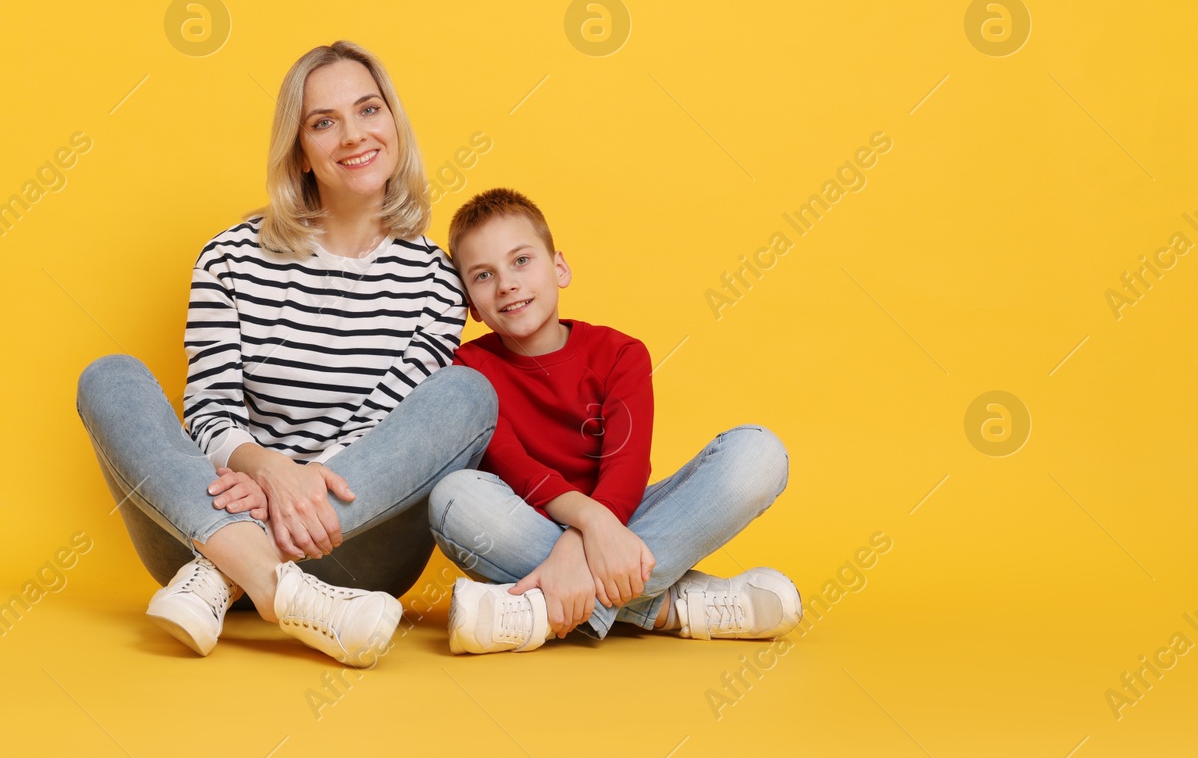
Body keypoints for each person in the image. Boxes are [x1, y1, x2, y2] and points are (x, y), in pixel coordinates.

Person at [76, 41, 497, 667]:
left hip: (353, 550)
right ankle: (275, 587)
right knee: (109, 377)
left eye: (368, 110)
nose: (353, 136)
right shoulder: (229, 258)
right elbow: (211, 409)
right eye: (323, 122)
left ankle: (234, 573)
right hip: (201, 529)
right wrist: (268, 468)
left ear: (394, 123)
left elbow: (385, 431)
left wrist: (292, 492)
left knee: (469, 394)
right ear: (299, 150)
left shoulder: (437, 279)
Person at [428, 188, 801, 654]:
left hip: (629, 516)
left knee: (758, 453)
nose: (507, 284)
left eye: (521, 261)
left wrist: (580, 542)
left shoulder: (620, 354)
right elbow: (512, 467)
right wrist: (590, 527)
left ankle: (535, 611)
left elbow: (626, 469)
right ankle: (673, 608)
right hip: (529, 523)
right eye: (484, 276)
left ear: (559, 268)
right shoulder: (466, 370)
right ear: (473, 308)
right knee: (452, 498)